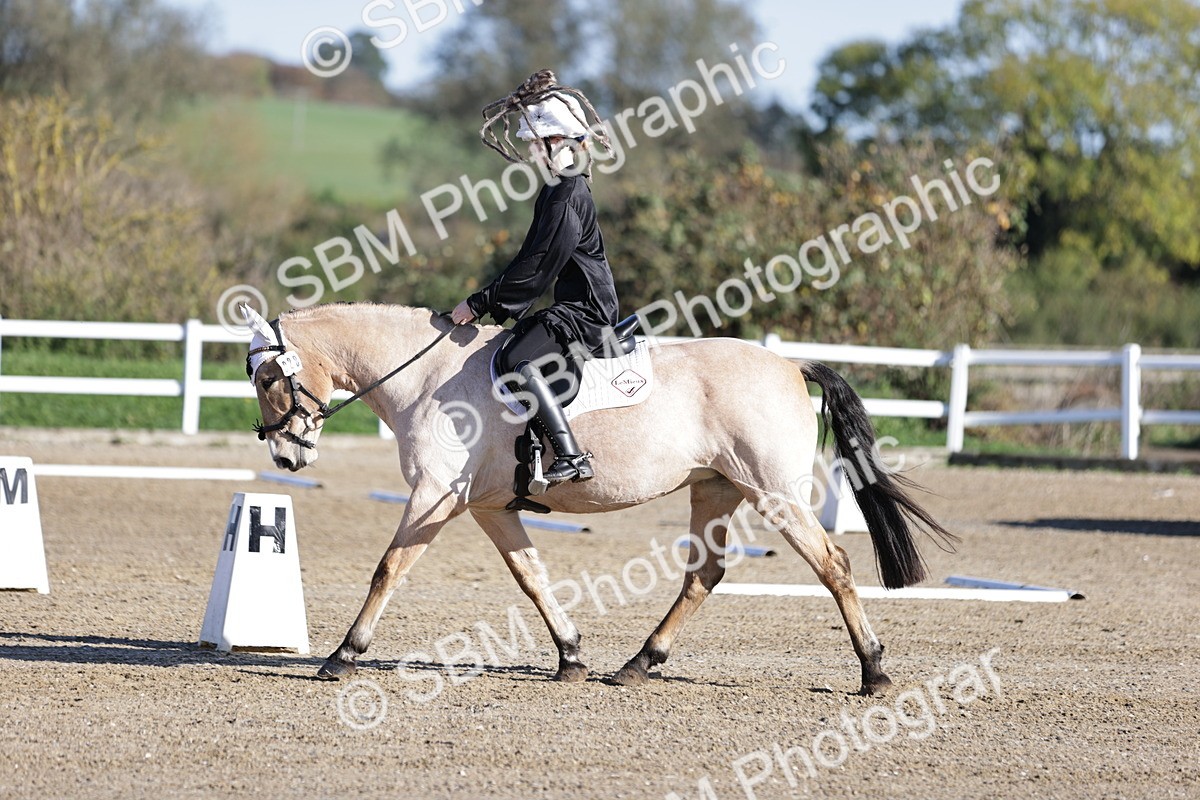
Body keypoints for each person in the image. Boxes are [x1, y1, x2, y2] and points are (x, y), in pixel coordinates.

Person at [450, 70, 618, 487]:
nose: (529, 152)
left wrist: (480, 302)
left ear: (557, 141)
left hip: (587, 311)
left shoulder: (567, 195)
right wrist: (489, 298)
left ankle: (571, 454)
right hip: (572, 306)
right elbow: (528, 258)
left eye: (533, 143)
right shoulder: (554, 190)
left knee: (513, 358)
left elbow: (538, 266)